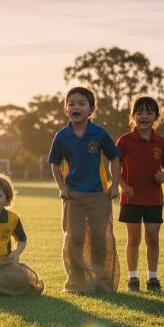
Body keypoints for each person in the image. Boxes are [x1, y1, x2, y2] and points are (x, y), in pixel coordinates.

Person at [48, 87, 121, 293]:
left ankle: (101, 280)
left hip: (99, 195)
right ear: (65, 109)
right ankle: (77, 281)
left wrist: (114, 185)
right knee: (74, 238)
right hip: (73, 197)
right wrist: (62, 187)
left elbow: (114, 157)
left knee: (100, 237)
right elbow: (54, 164)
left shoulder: (99, 133)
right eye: (72, 103)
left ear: (91, 109)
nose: (76, 107)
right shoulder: (62, 136)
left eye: (81, 103)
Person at [116, 96, 164, 292]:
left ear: (156, 117)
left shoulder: (162, 142)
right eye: (139, 112)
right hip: (130, 198)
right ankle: (133, 279)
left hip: (153, 199)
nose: (144, 116)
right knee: (133, 239)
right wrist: (123, 185)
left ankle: (153, 278)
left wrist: (163, 176)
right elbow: (114, 166)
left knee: (152, 238)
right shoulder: (124, 141)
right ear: (132, 116)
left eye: (149, 113)